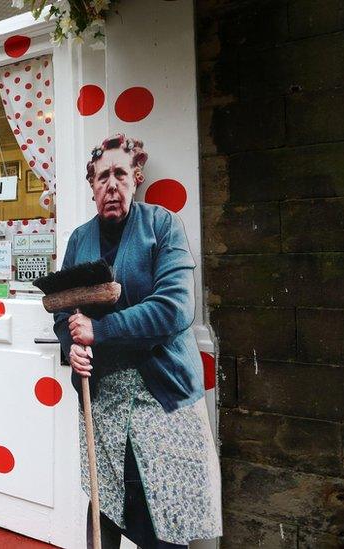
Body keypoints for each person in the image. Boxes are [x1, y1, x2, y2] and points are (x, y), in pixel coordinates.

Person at [53, 134, 221, 549]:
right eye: (102, 176)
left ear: (136, 178)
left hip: (163, 393)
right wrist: (71, 345)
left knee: (169, 509)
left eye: (120, 174)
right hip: (104, 396)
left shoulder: (162, 226)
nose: (112, 184)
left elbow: (176, 308)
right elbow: (63, 311)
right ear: (91, 186)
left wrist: (101, 330)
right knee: (105, 505)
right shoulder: (79, 240)